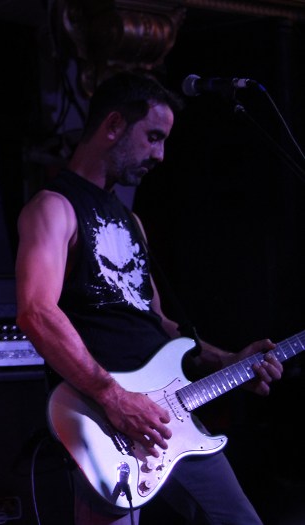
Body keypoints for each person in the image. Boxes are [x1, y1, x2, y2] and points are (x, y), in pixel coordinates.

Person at [15, 71, 283, 524]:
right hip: (102, 418)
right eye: (154, 137)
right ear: (114, 125)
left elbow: (158, 323)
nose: (160, 155)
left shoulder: (132, 221)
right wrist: (114, 397)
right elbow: (36, 312)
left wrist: (228, 360)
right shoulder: (54, 207)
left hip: (168, 411)